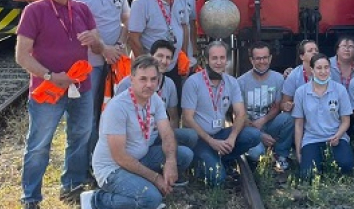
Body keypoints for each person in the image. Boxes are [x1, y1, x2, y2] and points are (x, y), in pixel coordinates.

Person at [15, 0, 103, 208]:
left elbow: (97, 47)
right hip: (48, 89)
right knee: (39, 144)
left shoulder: (83, 9)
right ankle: (31, 197)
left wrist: (95, 41)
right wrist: (51, 76)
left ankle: (72, 185)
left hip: (81, 89)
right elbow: (22, 56)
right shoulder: (34, 11)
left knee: (80, 136)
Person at [84, 55, 193, 209]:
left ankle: (143, 184)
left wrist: (170, 162)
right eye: (143, 79)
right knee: (152, 199)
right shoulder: (118, 107)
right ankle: (96, 200)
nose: (149, 84)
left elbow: (167, 133)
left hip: (139, 158)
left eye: (153, 79)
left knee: (183, 155)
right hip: (112, 169)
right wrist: (155, 178)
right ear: (132, 79)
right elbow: (120, 157)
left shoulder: (153, 98)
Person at [69, 0, 130, 157]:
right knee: (87, 114)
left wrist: (120, 46)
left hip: (114, 63)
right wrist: (104, 50)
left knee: (109, 113)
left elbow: (127, 19)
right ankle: (84, 161)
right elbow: (78, 29)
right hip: (88, 64)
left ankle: (104, 158)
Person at [181, 41, 262, 186]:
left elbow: (241, 113)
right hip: (200, 139)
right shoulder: (193, 82)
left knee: (253, 135)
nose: (219, 62)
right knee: (218, 179)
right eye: (214, 58)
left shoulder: (231, 82)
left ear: (227, 59)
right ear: (206, 60)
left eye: (222, 58)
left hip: (220, 133)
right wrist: (211, 142)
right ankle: (203, 162)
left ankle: (223, 158)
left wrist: (231, 138)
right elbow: (187, 119)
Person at [128, 0, 190, 100]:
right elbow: (133, 37)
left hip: (173, 63)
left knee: (173, 105)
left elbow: (185, 26)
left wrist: (184, 56)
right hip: (151, 66)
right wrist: (145, 65)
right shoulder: (142, 0)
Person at [292, 53, 354, 179]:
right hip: (312, 138)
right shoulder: (301, 92)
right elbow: (299, 124)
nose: (323, 71)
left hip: (336, 137)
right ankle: (318, 160)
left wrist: (337, 135)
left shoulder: (340, 90)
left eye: (326, 67)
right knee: (307, 176)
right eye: (319, 68)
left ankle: (329, 159)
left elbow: (346, 121)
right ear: (312, 70)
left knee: (346, 166)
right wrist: (298, 151)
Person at [237, 41, 294, 173]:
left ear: (270, 58)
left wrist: (262, 122)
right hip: (249, 128)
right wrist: (260, 134)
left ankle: (281, 155)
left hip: (269, 123)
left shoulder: (279, 79)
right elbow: (240, 114)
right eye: (258, 58)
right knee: (257, 155)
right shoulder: (241, 82)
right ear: (251, 60)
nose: (262, 61)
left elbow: (277, 106)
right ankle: (260, 149)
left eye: (264, 58)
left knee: (288, 118)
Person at [115, 40, 181, 128]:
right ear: (150, 56)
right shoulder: (127, 83)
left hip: (158, 134)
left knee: (190, 136)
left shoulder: (169, 84)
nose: (164, 61)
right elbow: (117, 116)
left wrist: (169, 138)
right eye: (160, 56)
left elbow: (174, 117)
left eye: (168, 57)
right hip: (133, 134)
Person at [280, 39, 319, 114]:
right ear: (302, 56)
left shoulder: (325, 72)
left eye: (316, 50)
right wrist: (287, 106)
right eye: (310, 51)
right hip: (300, 113)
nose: (314, 52)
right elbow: (283, 104)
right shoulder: (293, 75)